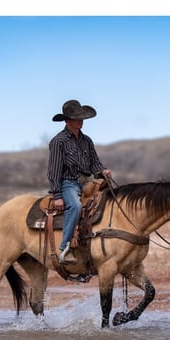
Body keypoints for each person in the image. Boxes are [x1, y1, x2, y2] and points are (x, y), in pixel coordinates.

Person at [47, 99, 112, 264]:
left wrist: (102, 171)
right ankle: (65, 248)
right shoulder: (58, 142)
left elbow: (95, 163)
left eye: (82, 118)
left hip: (87, 183)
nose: (80, 121)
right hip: (68, 183)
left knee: (110, 200)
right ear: (67, 120)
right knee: (75, 207)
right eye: (77, 118)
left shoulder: (87, 140)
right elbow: (53, 171)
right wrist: (57, 195)